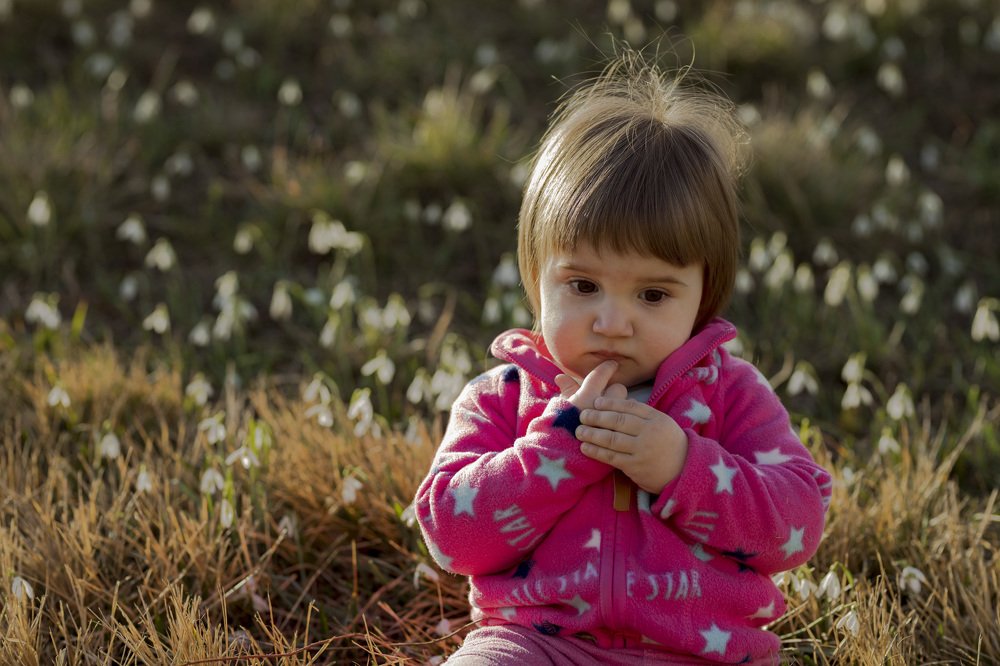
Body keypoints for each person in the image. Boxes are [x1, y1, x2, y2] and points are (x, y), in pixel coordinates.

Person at [414, 50, 832, 665]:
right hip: (539, 647)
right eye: (582, 286)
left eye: (654, 294)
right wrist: (556, 446)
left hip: (703, 652)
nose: (612, 323)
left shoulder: (729, 395)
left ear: (703, 295)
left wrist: (684, 467)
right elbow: (450, 537)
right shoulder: (504, 396)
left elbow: (798, 523)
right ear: (537, 279)